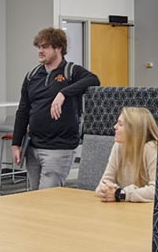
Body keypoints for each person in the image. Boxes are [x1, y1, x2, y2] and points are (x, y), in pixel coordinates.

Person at [50, 107, 158, 252]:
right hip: (123, 219)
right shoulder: (118, 146)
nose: (114, 127)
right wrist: (110, 191)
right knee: (88, 245)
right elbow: (104, 182)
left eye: (120, 124)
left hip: (145, 224)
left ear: (134, 129)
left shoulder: (150, 149)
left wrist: (121, 194)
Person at [12, 27, 101, 190]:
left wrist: (63, 93)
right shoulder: (32, 75)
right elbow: (23, 110)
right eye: (38, 47)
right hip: (33, 146)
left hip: (58, 148)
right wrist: (16, 144)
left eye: (45, 47)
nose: (40, 51)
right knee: (33, 196)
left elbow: (94, 80)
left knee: (48, 198)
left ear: (58, 48)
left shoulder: (71, 71)